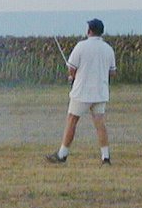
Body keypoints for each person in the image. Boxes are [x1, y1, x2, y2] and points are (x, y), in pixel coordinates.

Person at [45, 18, 117, 166]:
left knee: (72, 120)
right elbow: (112, 72)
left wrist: (73, 76)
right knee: (100, 124)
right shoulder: (108, 49)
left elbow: (72, 68)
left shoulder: (81, 46)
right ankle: (106, 157)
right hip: (100, 92)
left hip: (82, 92)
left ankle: (62, 154)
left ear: (89, 31)